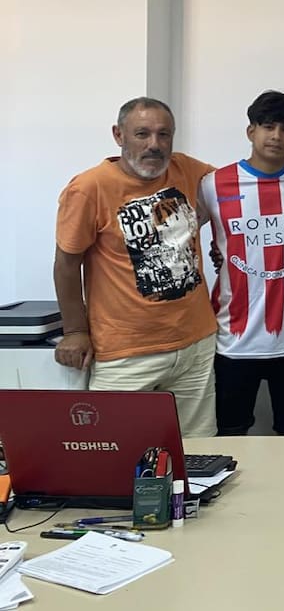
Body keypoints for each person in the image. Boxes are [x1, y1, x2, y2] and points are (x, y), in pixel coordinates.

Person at [53, 98, 219, 438]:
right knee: (114, 452)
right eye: (142, 134)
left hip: (195, 346)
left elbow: (242, 182)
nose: (154, 144)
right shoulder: (89, 188)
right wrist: (74, 331)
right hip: (126, 353)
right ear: (119, 135)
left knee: (198, 453)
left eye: (164, 134)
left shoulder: (188, 170)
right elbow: (66, 264)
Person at [200, 91, 284, 436]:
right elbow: (179, 235)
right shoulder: (214, 184)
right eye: (268, 126)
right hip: (234, 338)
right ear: (250, 131)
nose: (276, 136)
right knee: (230, 434)